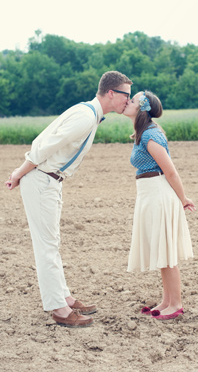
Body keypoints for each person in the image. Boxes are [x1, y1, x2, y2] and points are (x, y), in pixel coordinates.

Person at [5, 70, 133, 328]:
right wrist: (19, 172)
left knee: (52, 242)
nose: (127, 101)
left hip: (50, 180)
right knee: (47, 245)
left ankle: (64, 297)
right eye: (125, 95)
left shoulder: (89, 114)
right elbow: (45, 145)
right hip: (42, 179)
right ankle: (59, 308)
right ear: (111, 93)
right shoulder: (85, 117)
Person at [123, 90, 195, 320]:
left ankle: (176, 304)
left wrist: (183, 199)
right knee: (162, 251)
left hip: (159, 194)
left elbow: (171, 171)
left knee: (167, 253)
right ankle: (166, 301)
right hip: (149, 194)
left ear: (141, 108)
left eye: (132, 100)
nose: (127, 101)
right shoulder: (143, 133)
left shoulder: (150, 135)